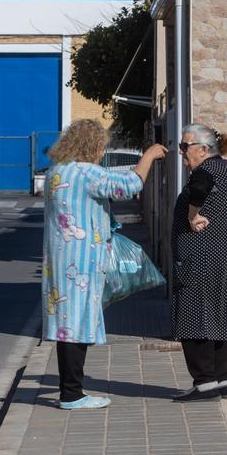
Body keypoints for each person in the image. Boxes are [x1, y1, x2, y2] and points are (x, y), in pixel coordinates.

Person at [42, 119, 167, 410]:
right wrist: (148, 156)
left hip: (59, 258)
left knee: (67, 324)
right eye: (101, 146)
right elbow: (128, 186)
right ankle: (71, 394)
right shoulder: (86, 173)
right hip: (82, 260)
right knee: (76, 324)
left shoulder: (56, 172)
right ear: (92, 145)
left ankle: (70, 390)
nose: (102, 151)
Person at [171, 123, 227, 402]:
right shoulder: (225, 169)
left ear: (203, 149)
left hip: (200, 259)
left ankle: (204, 383)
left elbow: (199, 190)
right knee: (217, 316)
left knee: (194, 316)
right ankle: (222, 380)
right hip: (222, 258)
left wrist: (191, 216)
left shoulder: (206, 171)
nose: (181, 152)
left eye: (184, 147)